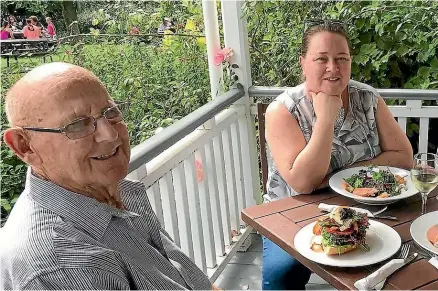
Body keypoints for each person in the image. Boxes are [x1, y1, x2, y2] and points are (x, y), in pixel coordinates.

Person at [1, 62, 212, 290]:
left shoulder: (110, 192)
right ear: (25, 146)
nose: (110, 134)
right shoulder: (65, 264)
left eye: (110, 113)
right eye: (78, 125)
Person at [263, 20, 413, 290]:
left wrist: (344, 176)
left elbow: (403, 156)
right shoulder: (283, 110)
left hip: (369, 208)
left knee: (402, 260)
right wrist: (325, 119)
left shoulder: (367, 98)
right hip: (294, 211)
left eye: (341, 58)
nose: (333, 68)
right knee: (281, 273)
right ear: (303, 62)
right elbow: (303, 183)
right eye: (322, 59)